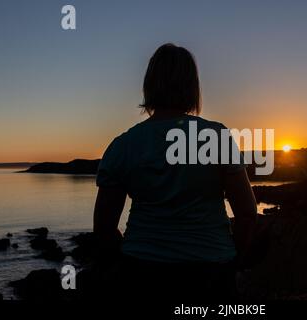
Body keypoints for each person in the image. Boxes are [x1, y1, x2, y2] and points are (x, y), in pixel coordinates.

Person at [93, 43, 257, 301]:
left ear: (149, 84)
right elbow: (247, 214)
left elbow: (103, 229)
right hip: (211, 267)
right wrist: (232, 260)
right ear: (193, 87)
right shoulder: (214, 137)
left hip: (142, 269)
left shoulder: (122, 145)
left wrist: (122, 263)